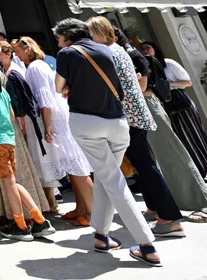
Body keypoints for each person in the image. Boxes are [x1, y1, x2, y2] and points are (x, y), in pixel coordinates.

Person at [53, 18, 160, 267]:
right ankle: (101, 236)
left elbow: (58, 87)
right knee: (105, 177)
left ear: (67, 36)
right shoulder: (109, 49)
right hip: (118, 123)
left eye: (59, 37)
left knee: (114, 181)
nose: (58, 42)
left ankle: (147, 244)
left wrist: (70, 85)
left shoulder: (67, 53)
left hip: (87, 123)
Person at [87, 18, 185, 239]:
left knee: (146, 167)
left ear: (100, 34)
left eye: (92, 34)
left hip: (128, 118)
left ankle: (170, 217)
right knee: (145, 167)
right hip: (135, 115)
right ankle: (163, 213)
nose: (90, 39)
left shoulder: (109, 54)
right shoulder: (119, 50)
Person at [0, 54, 55, 242]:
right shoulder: (2, 90)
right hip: (9, 139)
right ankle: (39, 220)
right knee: (12, 182)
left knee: (9, 183)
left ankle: (21, 226)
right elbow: (12, 116)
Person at [12, 37, 93, 225]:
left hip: (57, 121)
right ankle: (82, 208)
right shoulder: (39, 66)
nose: (17, 55)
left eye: (19, 51)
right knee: (72, 167)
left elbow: (45, 98)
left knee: (76, 166)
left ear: (28, 50)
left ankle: (93, 211)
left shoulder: (34, 68)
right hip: (60, 117)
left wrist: (47, 126)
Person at [138, 42, 207, 224]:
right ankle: (158, 204)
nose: (145, 51)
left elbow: (187, 82)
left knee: (190, 140)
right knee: (173, 145)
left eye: (148, 47)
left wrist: (167, 84)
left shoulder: (166, 63)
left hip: (177, 103)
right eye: (142, 48)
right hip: (162, 105)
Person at [0, 42, 50, 220]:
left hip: (20, 125)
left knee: (21, 173)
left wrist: (23, 129)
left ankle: (36, 211)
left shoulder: (13, 74)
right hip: (19, 126)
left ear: (8, 54)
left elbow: (20, 106)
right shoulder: (9, 73)